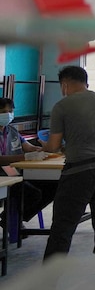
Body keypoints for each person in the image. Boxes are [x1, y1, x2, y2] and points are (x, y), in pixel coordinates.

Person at [42, 65, 95, 261]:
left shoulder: (62, 106)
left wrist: (42, 147)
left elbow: (53, 146)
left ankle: (48, 281)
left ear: (65, 84)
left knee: (64, 224)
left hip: (80, 169)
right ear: (86, 83)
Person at [0, 98, 53, 239]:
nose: (7, 114)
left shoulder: (11, 129)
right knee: (31, 192)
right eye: (3, 112)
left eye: (10, 111)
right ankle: (11, 218)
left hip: (17, 171)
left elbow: (27, 147)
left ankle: (14, 217)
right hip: (3, 175)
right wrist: (25, 157)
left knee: (52, 186)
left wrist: (41, 150)